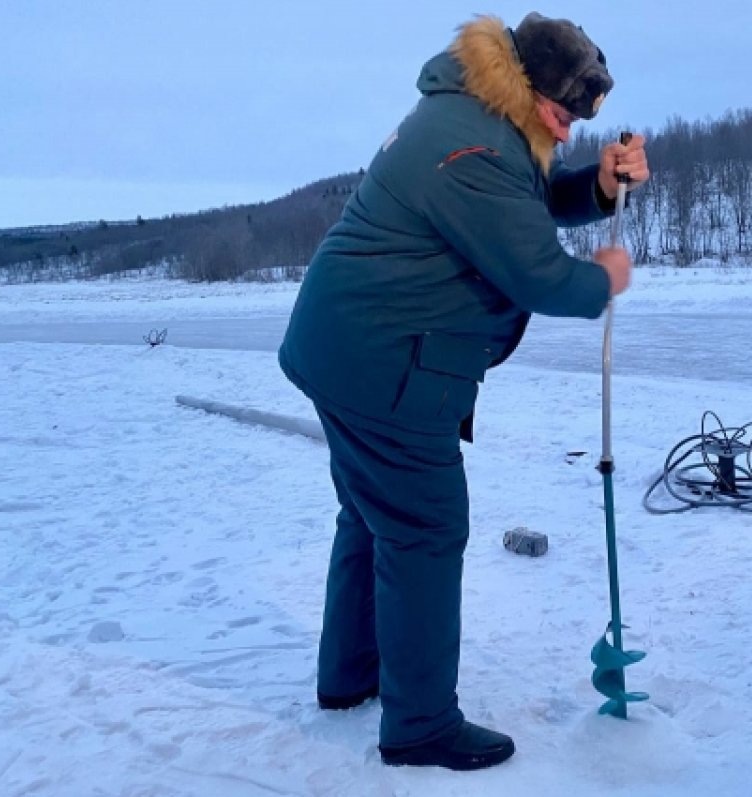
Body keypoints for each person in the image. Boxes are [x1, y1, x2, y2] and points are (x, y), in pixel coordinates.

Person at [278, 12, 648, 770]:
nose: (568, 132)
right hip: (383, 362)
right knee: (423, 525)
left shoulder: (477, 115)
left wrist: (601, 187)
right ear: (531, 90)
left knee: (372, 514)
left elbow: (528, 196)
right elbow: (540, 273)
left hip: (347, 350)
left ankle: (350, 677)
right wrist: (602, 278)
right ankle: (418, 724)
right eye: (562, 114)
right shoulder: (473, 143)